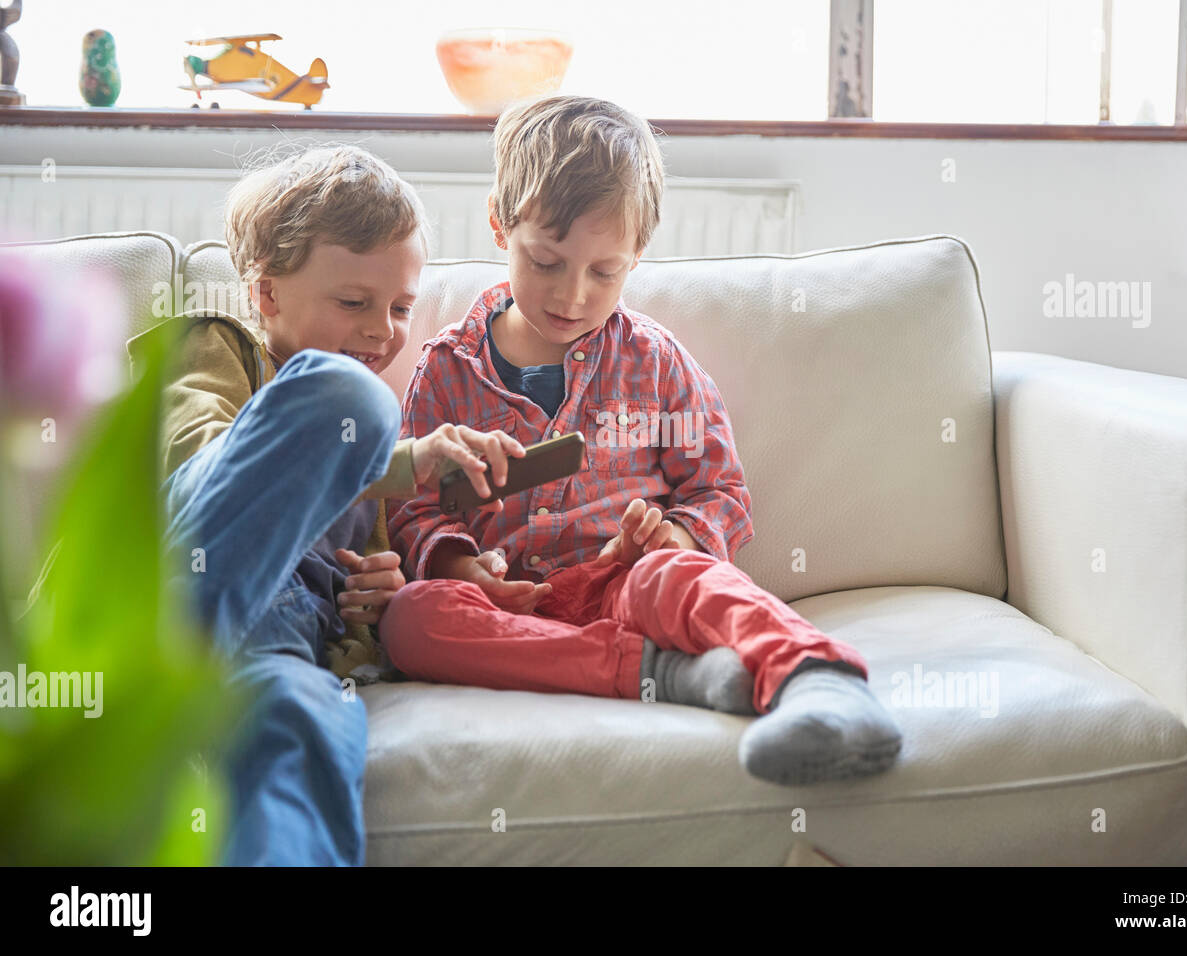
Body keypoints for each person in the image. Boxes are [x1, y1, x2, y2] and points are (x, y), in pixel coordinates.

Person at [381, 95, 903, 786]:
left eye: (604, 272)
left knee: (683, 576)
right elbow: (415, 505)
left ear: (638, 256)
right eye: (546, 262)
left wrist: (673, 539)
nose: (572, 295)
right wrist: (455, 564)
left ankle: (819, 682)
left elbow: (718, 488)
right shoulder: (448, 369)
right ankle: (664, 675)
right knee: (412, 620)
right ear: (500, 226)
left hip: (626, 583)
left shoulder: (655, 362)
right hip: (511, 608)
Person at [129, 144, 522, 865]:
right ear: (268, 292)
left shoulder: (376, 442)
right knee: (351, 402)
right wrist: (399, 459)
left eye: (401, 307)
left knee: (305, 714)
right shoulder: (216, 348)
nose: (382, 331)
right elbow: (197, 463)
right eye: (354, 303)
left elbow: (355, 630)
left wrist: (376, 601)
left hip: (269, 657)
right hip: (157, 587)